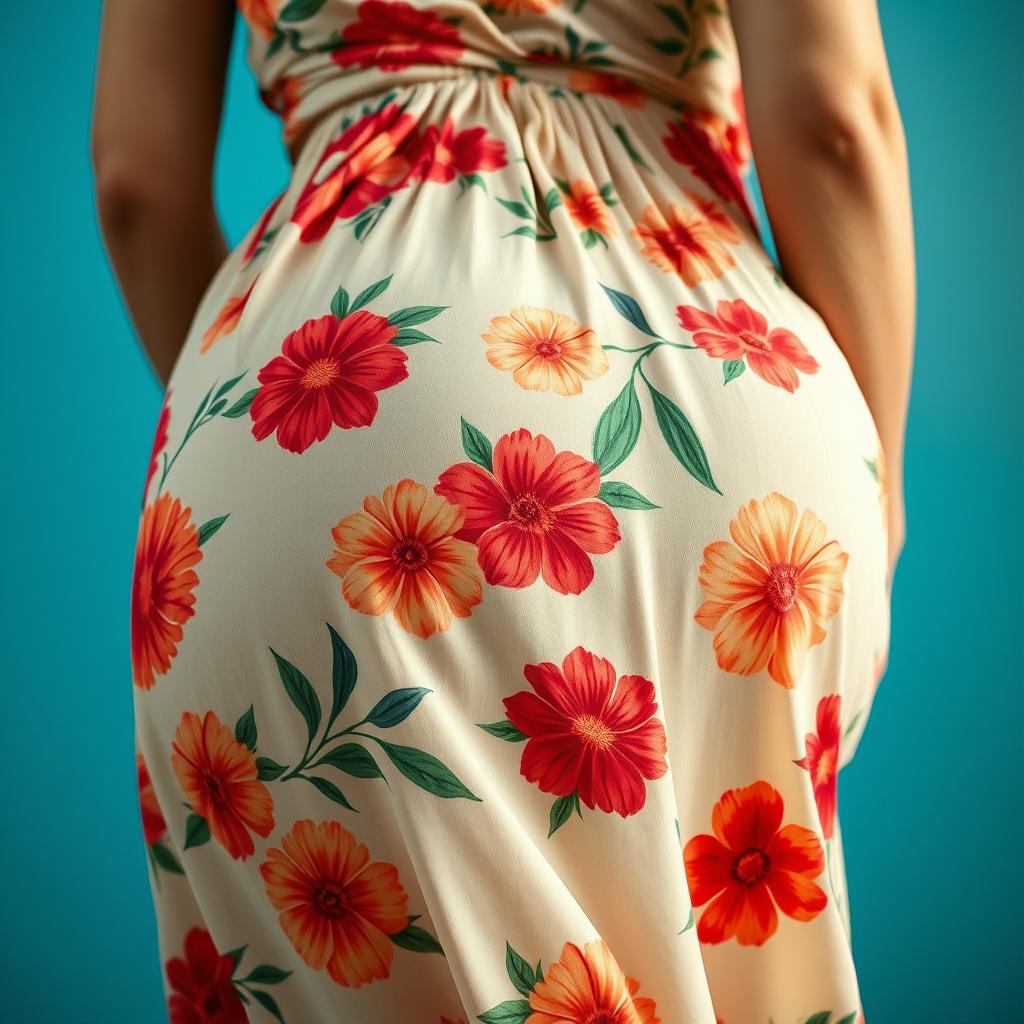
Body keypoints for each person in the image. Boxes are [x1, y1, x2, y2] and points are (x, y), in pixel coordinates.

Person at [92, 1, 914, 1020]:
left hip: (323, 372)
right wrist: (879, 482)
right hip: (720, 395)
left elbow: (137, 181)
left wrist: (272, 457)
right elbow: (832, 118)